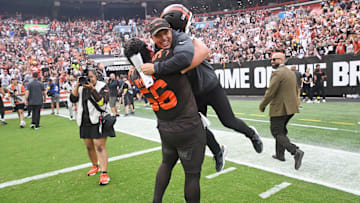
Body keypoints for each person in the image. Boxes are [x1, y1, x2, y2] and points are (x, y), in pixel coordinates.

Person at [143, 6, 263, 172]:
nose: (163, 37)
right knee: (198, 128)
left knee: (228, 121)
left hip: (209, 86)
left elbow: (194, 55)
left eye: (166, 32)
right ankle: (218, 151)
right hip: (193, 94)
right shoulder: (160, 48)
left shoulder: (183, 39)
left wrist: (162, 69)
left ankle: (251, 133)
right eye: (159, 35)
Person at [125, 37, 206, 203]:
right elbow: (202, 50)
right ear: (147, 51)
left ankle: (156, 201)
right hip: (188, 127)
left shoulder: (133, 74)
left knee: (166, 164)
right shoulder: (166, 60)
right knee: (192, 176)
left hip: (165, 129)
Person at [259, 52, 304, 170]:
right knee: (281, 130)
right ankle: (280, 155)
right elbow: (296, 90)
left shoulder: (277, 73)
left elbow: (270, 92)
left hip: (280, 107)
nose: (272, 61)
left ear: (282, 60)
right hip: (291, 107)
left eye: (274, 59)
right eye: (271, 59)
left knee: (276, 131)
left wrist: (263, 105)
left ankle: (295, 151)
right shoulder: (291, 73)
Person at [70, 69, 111, 185]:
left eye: (91, 77)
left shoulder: (102, 86)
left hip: (99, 120)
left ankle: (104, 173)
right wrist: (78, 85)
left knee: (99, 146)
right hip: (84, 120)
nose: (89, 79)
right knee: (89, 146)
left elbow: (102, 102)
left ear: (96, 77)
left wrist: (92, 89)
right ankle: (95, 165)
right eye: (86, 77)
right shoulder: (81, 86)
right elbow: (73, 99)